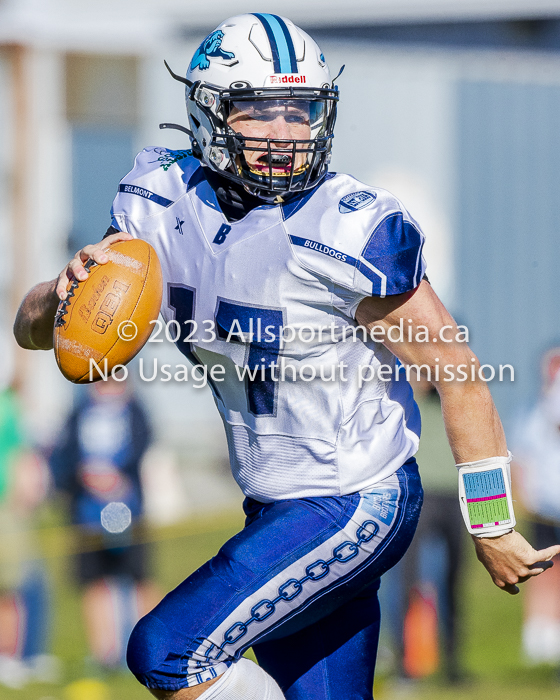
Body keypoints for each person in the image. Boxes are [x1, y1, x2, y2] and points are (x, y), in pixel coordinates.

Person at [12, 13, 560, 700]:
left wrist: (491, 521)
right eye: (259, 111)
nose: (285, 131)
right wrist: (60, 292)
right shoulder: (159, 201)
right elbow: (38, 331)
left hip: (356, 499)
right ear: (210, 113)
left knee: (168, 651)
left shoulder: (349, 226)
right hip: (272, 505)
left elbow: (459, 374)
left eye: (300, 110)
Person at [49, 376, 160, 672]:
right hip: (87, 514)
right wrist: (83, 476)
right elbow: (65, 456)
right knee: (94, 581)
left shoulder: (136, 411)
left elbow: (143, 445)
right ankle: (104, 656)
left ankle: (150, 649)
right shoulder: (77, 413)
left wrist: (118, 477)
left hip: (129, 510)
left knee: (138, 578)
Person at [512, 348, 560, 664]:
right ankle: (540, 642)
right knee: (543, 574)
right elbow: (520, 459)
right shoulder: (532, 413)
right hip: (544, 508)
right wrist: (524, 498)